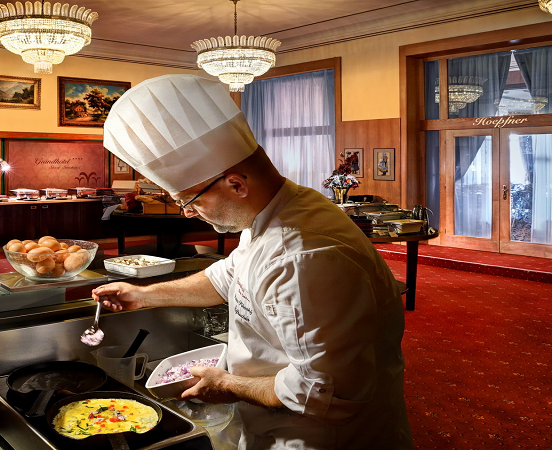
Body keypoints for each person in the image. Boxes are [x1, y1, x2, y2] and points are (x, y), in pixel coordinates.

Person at [95, 74, 412, 450]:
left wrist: (228, 385)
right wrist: (143, 296)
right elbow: (227, 277)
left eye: (189, 200)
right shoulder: (279, 207)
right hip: (274, 423)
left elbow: (325, 392)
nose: (189, 213)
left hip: (320, 437)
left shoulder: (303, 259)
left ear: (236, 185)